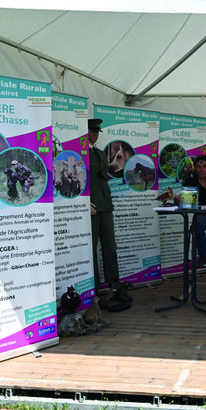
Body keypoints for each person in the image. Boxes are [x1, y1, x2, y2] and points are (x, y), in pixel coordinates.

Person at [88, 118, 121, 292]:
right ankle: (95, 289)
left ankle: (113, 283)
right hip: (91, 206)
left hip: (105, 204)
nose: (94, 135)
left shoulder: (101, 153)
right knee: (91, 249)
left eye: (96, 132)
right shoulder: (80, 153)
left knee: (110, 246)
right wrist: (83, 202)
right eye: (92, 131)